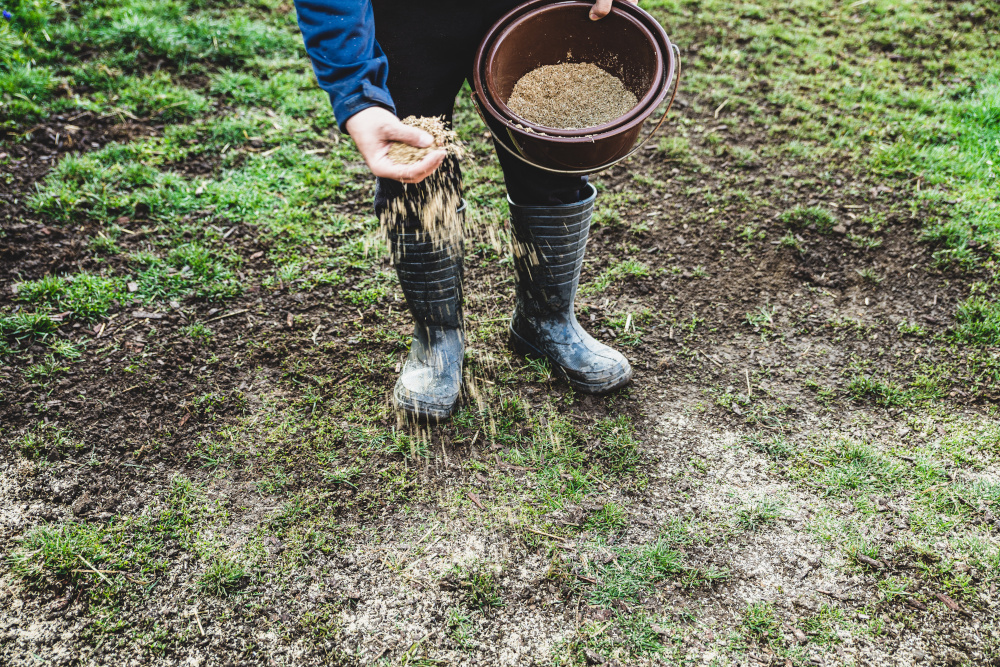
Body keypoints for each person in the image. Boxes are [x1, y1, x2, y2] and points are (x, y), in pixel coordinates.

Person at [294, 0, 637, 421]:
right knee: (415, 166)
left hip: (533, 5)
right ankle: (438, 338)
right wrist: (357, 93)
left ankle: (546, 322)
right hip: (406, 16)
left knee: (555, 157)